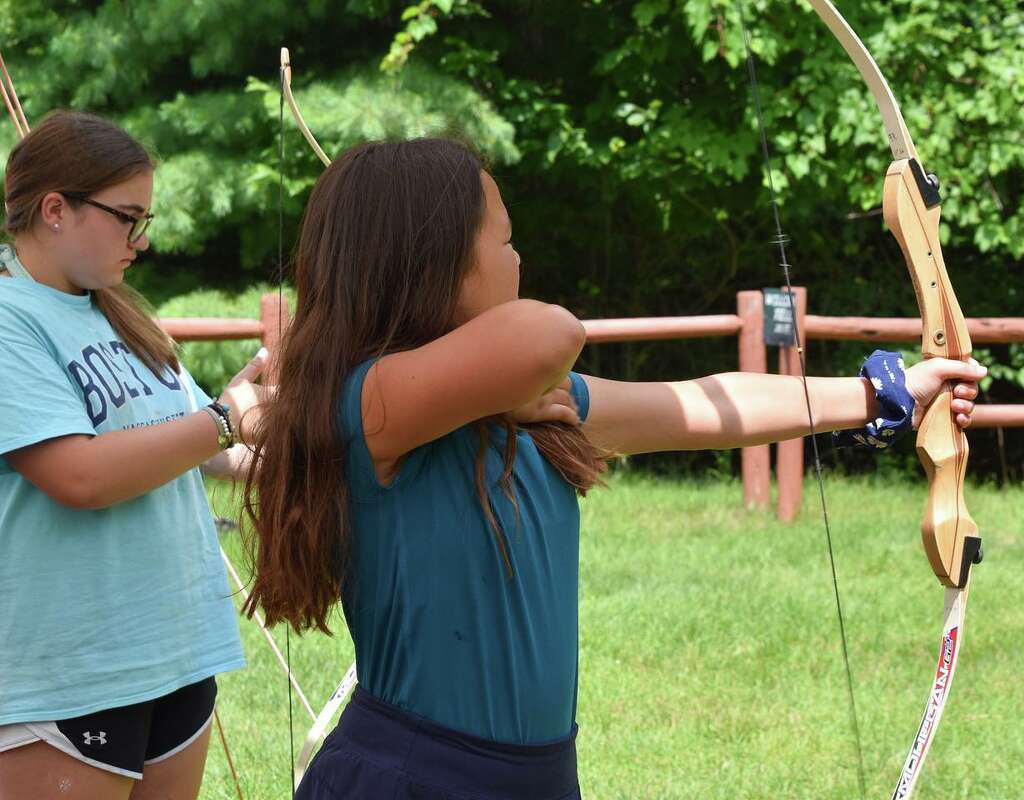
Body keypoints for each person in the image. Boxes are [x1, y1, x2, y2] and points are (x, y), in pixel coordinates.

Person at [244, 137, 986, 800]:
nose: (520, 261)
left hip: (534, 776)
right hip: (413, 776)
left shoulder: (535, 406)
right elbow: (551, 331)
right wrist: (503, 402)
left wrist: (881, 393)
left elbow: (700, 405)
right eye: (505, 244)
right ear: (435, 265)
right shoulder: (374, 401)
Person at [0, 111, 266, 800]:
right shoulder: (9, 319)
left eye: (146, 220)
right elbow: (79, 475)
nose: (141, 241)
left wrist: (284, 445)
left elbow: (196, 447)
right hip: (71, 671)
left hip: (175, 653)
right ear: (55, 210)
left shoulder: (122, 314)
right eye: (128, 218)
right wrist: (227, 421)